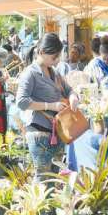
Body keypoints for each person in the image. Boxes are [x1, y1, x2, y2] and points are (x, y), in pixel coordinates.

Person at [16, 33, 80, 182]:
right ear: (41, 52)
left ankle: (50, 206)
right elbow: (21, 102)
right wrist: (50, 106)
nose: (57, 60)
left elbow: (69, 89)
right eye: (54, 57)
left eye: (58, 56)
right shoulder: (30, 73)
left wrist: (73, 97)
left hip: (57, 132)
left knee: (54, 178)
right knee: (43, 178)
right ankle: (40, 206)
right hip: (39, 132)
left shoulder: (54, 72)